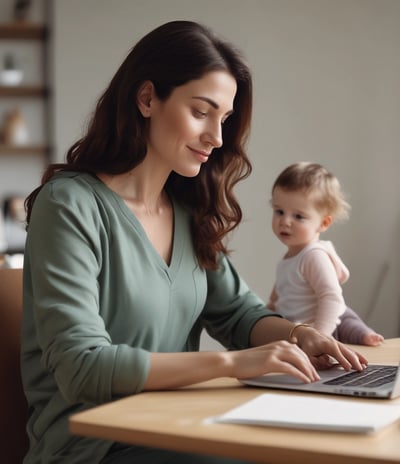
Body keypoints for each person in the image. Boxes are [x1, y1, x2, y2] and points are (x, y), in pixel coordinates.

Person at [21, 21, 367, 464]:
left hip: (176, 427)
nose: (217, 138)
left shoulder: (187, 211)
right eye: (201, 112)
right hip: (93, 447)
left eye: (223, 119)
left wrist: (303, 337)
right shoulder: (70, 206)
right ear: (147, 99)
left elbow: (239, 314)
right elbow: (82, 365)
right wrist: (231, 364)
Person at [267, 162, 384, 347]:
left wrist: (320, 335)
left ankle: (363, 335)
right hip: (299, 329)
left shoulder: (313, 256)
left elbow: (331, 297)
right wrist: (268, 311)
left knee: (348, 323)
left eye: (298, 216)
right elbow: (278, 294)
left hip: (321, 325)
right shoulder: (289, 257)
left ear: (323, 223)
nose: (285, 221)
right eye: (279, 211)